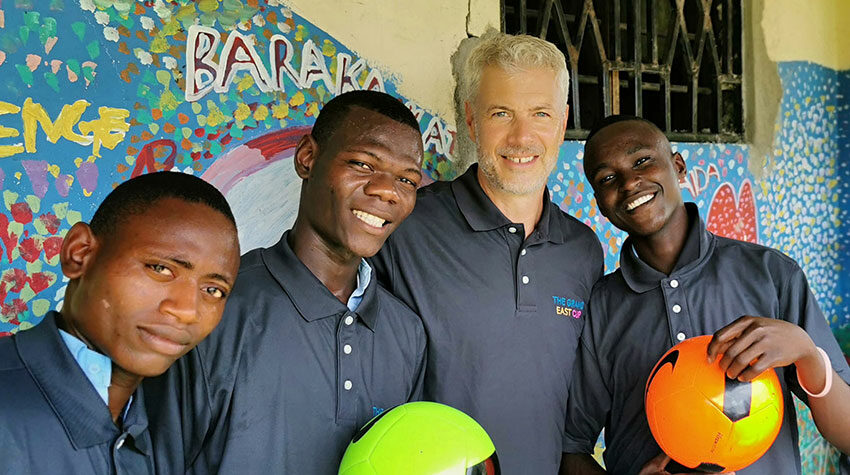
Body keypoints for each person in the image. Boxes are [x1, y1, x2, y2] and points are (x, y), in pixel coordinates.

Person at [145, 90, 428, 474]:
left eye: (407, 180)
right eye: (363, 164)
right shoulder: (216, 309)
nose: (388, 191)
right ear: (307, 157)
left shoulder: (407, 335)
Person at [560, 115, 850, 474]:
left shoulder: (771, 275)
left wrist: (807, 354)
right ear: (601, 203)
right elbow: (571, 448)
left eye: (642, 160)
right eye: (607, 178)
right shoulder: (601, 307)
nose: (630, 182)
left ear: (678, 166)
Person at [371, 31, 604, 474]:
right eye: (501, 113)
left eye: (540, 114)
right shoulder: (407, 228)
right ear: (472, 121)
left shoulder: (582, 250)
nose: (522, 137)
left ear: (562, 124)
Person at [0, 172, 240, 475]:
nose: (187, 311)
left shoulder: (152, 431)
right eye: (160, 268)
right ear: (80, 253)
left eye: (213, 290)